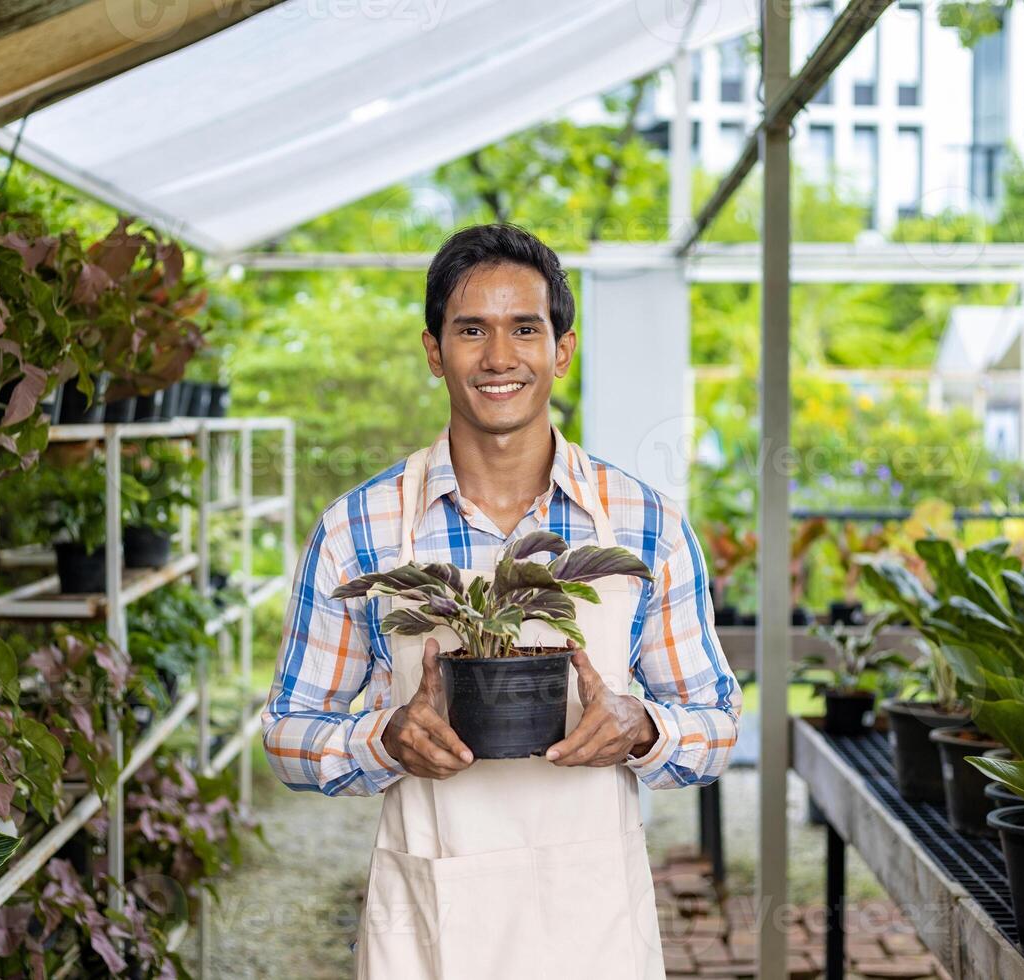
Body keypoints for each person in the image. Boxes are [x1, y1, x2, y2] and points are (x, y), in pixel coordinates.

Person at [261, 223, 742, 979]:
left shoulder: (645, 524)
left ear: (562, 350)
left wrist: (643, 726)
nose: (498, 357)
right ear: (433, 352)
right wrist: (382, 740)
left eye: (525, 328)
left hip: (593, 925)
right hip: (429, 924)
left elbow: (716, 722)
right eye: (470, 330)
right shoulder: (360, 527)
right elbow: (288, 734)